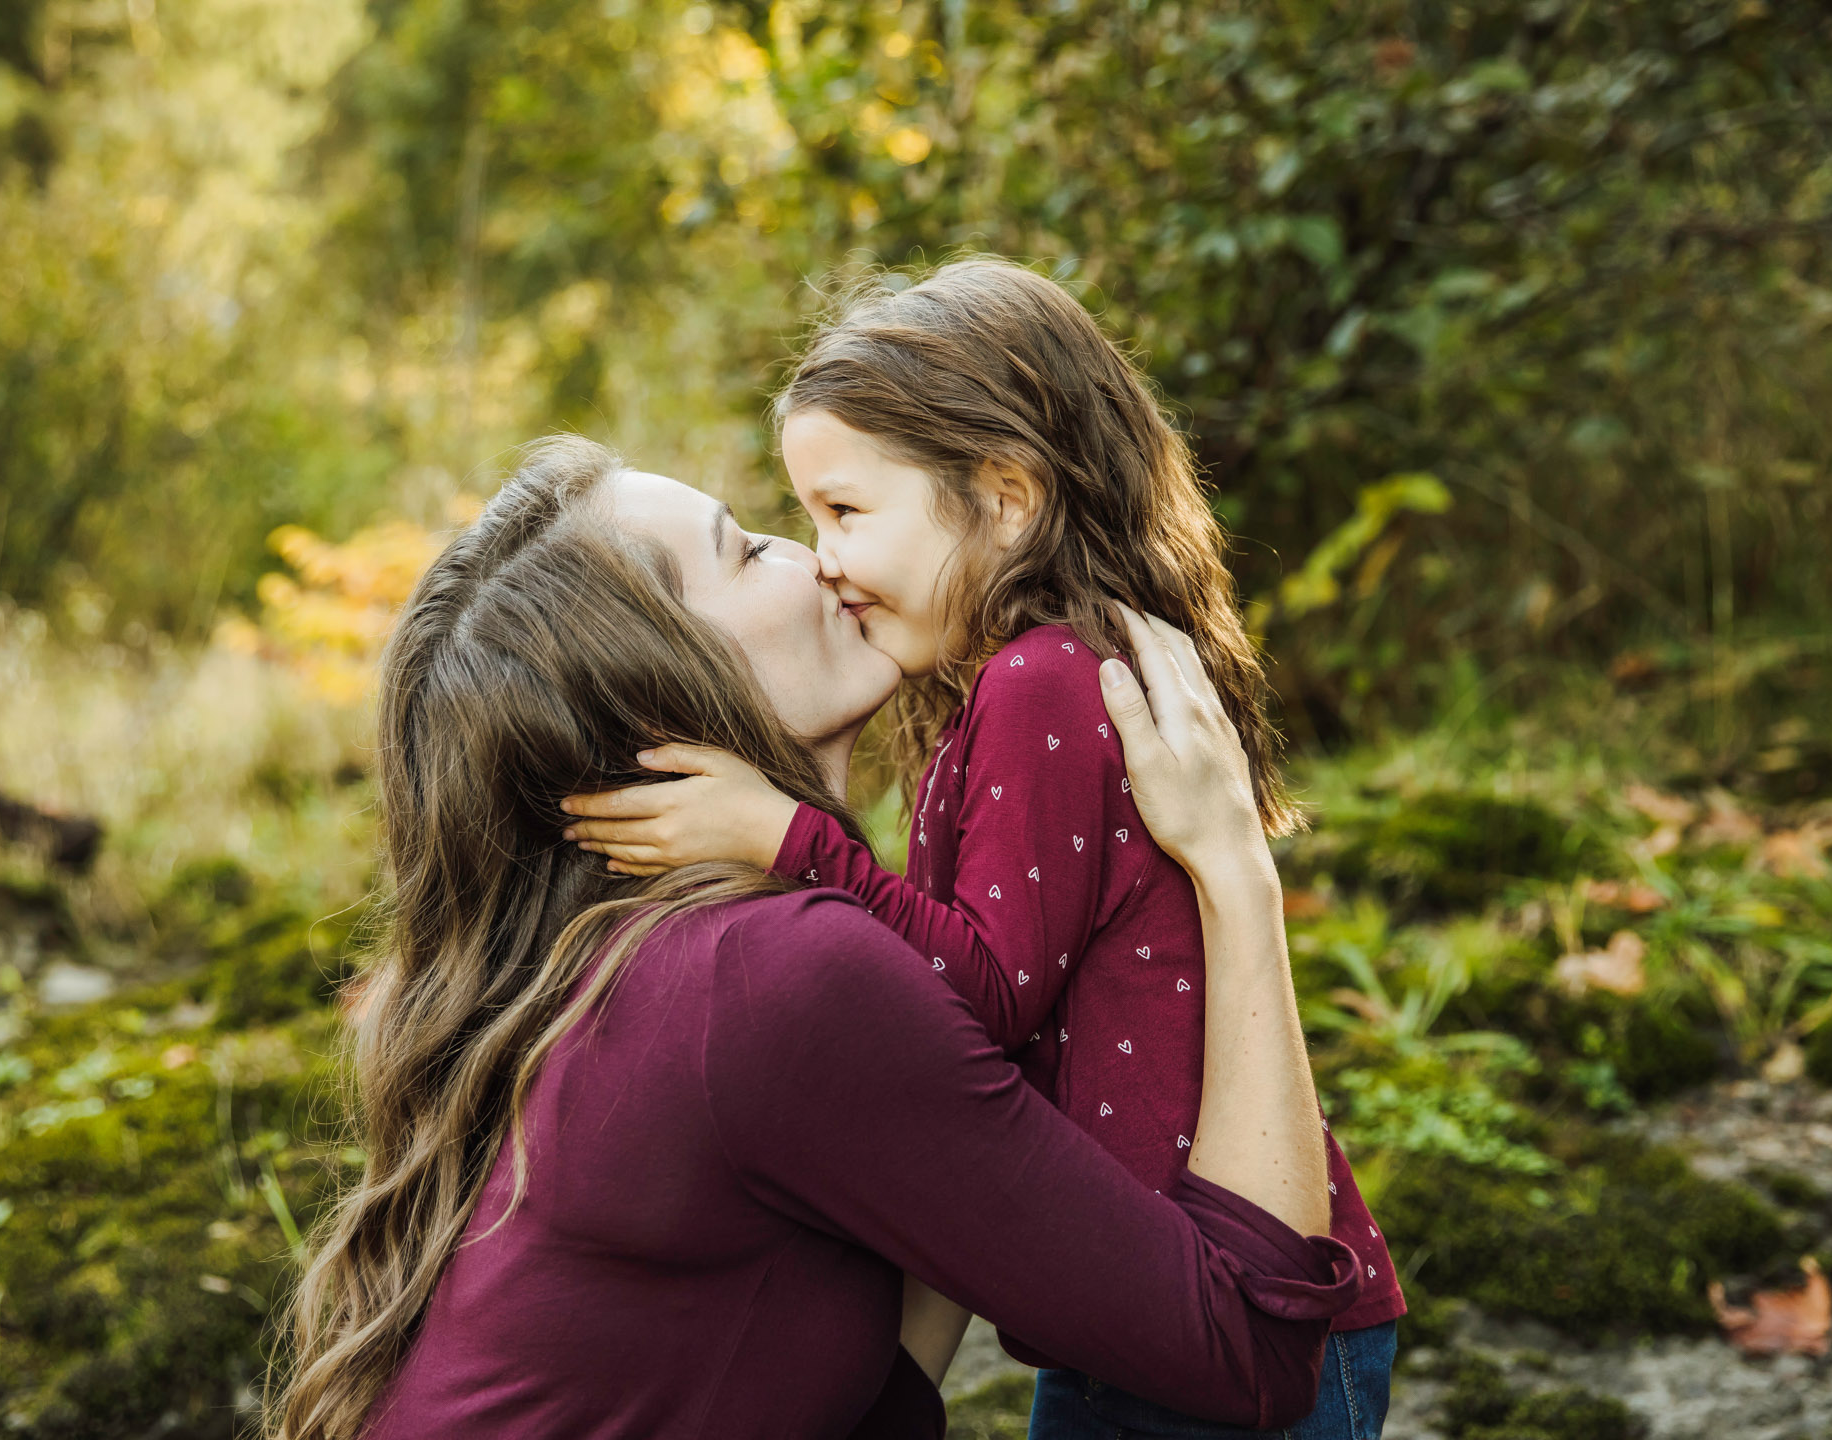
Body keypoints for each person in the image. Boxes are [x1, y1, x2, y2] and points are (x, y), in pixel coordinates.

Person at [269, 437, 1361, 1440]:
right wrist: (1234, 871)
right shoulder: (768, 978)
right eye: (745, 552)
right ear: (669, 700)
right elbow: (1251, 1353)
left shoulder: (638, 971)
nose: (809, 554)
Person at [560, 259, 1403, 1440]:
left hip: (1233, 1298)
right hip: (1133, 1306)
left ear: (1006, 499)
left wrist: (787, 837)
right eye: (805, 520)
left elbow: (979, 1002)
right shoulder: (1000, 692)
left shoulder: (1042, 683)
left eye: (847, 513)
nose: (826, 561)